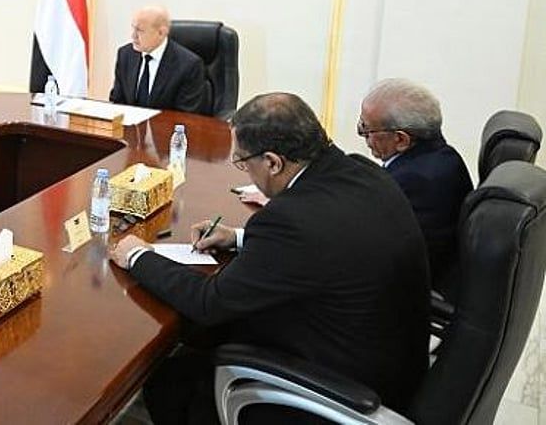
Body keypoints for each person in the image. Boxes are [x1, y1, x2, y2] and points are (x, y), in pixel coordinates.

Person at [111, 93, 429, 424]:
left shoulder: (292, 219)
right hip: (393, 366)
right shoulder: (362, 172)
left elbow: (209, 303)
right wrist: (238, 238)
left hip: (341, 393)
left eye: (243, 163)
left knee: (170, 382)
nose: (246, 172)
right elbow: (329, 244)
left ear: (273, 163)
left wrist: (137, 255)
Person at [359, 78, 473, 289]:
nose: (363, 137)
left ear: (401, 140)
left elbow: (369, 252)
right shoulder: (444, 157)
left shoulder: (412, 182)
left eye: (367, 130)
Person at [109, 5, 209, 114]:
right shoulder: (125, 55)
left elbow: (185, 115)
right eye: (133, 28)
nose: (133, 36)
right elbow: (117, 101)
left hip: (166, 124)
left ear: (161, 33)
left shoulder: (189, 65)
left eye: (140, 30)